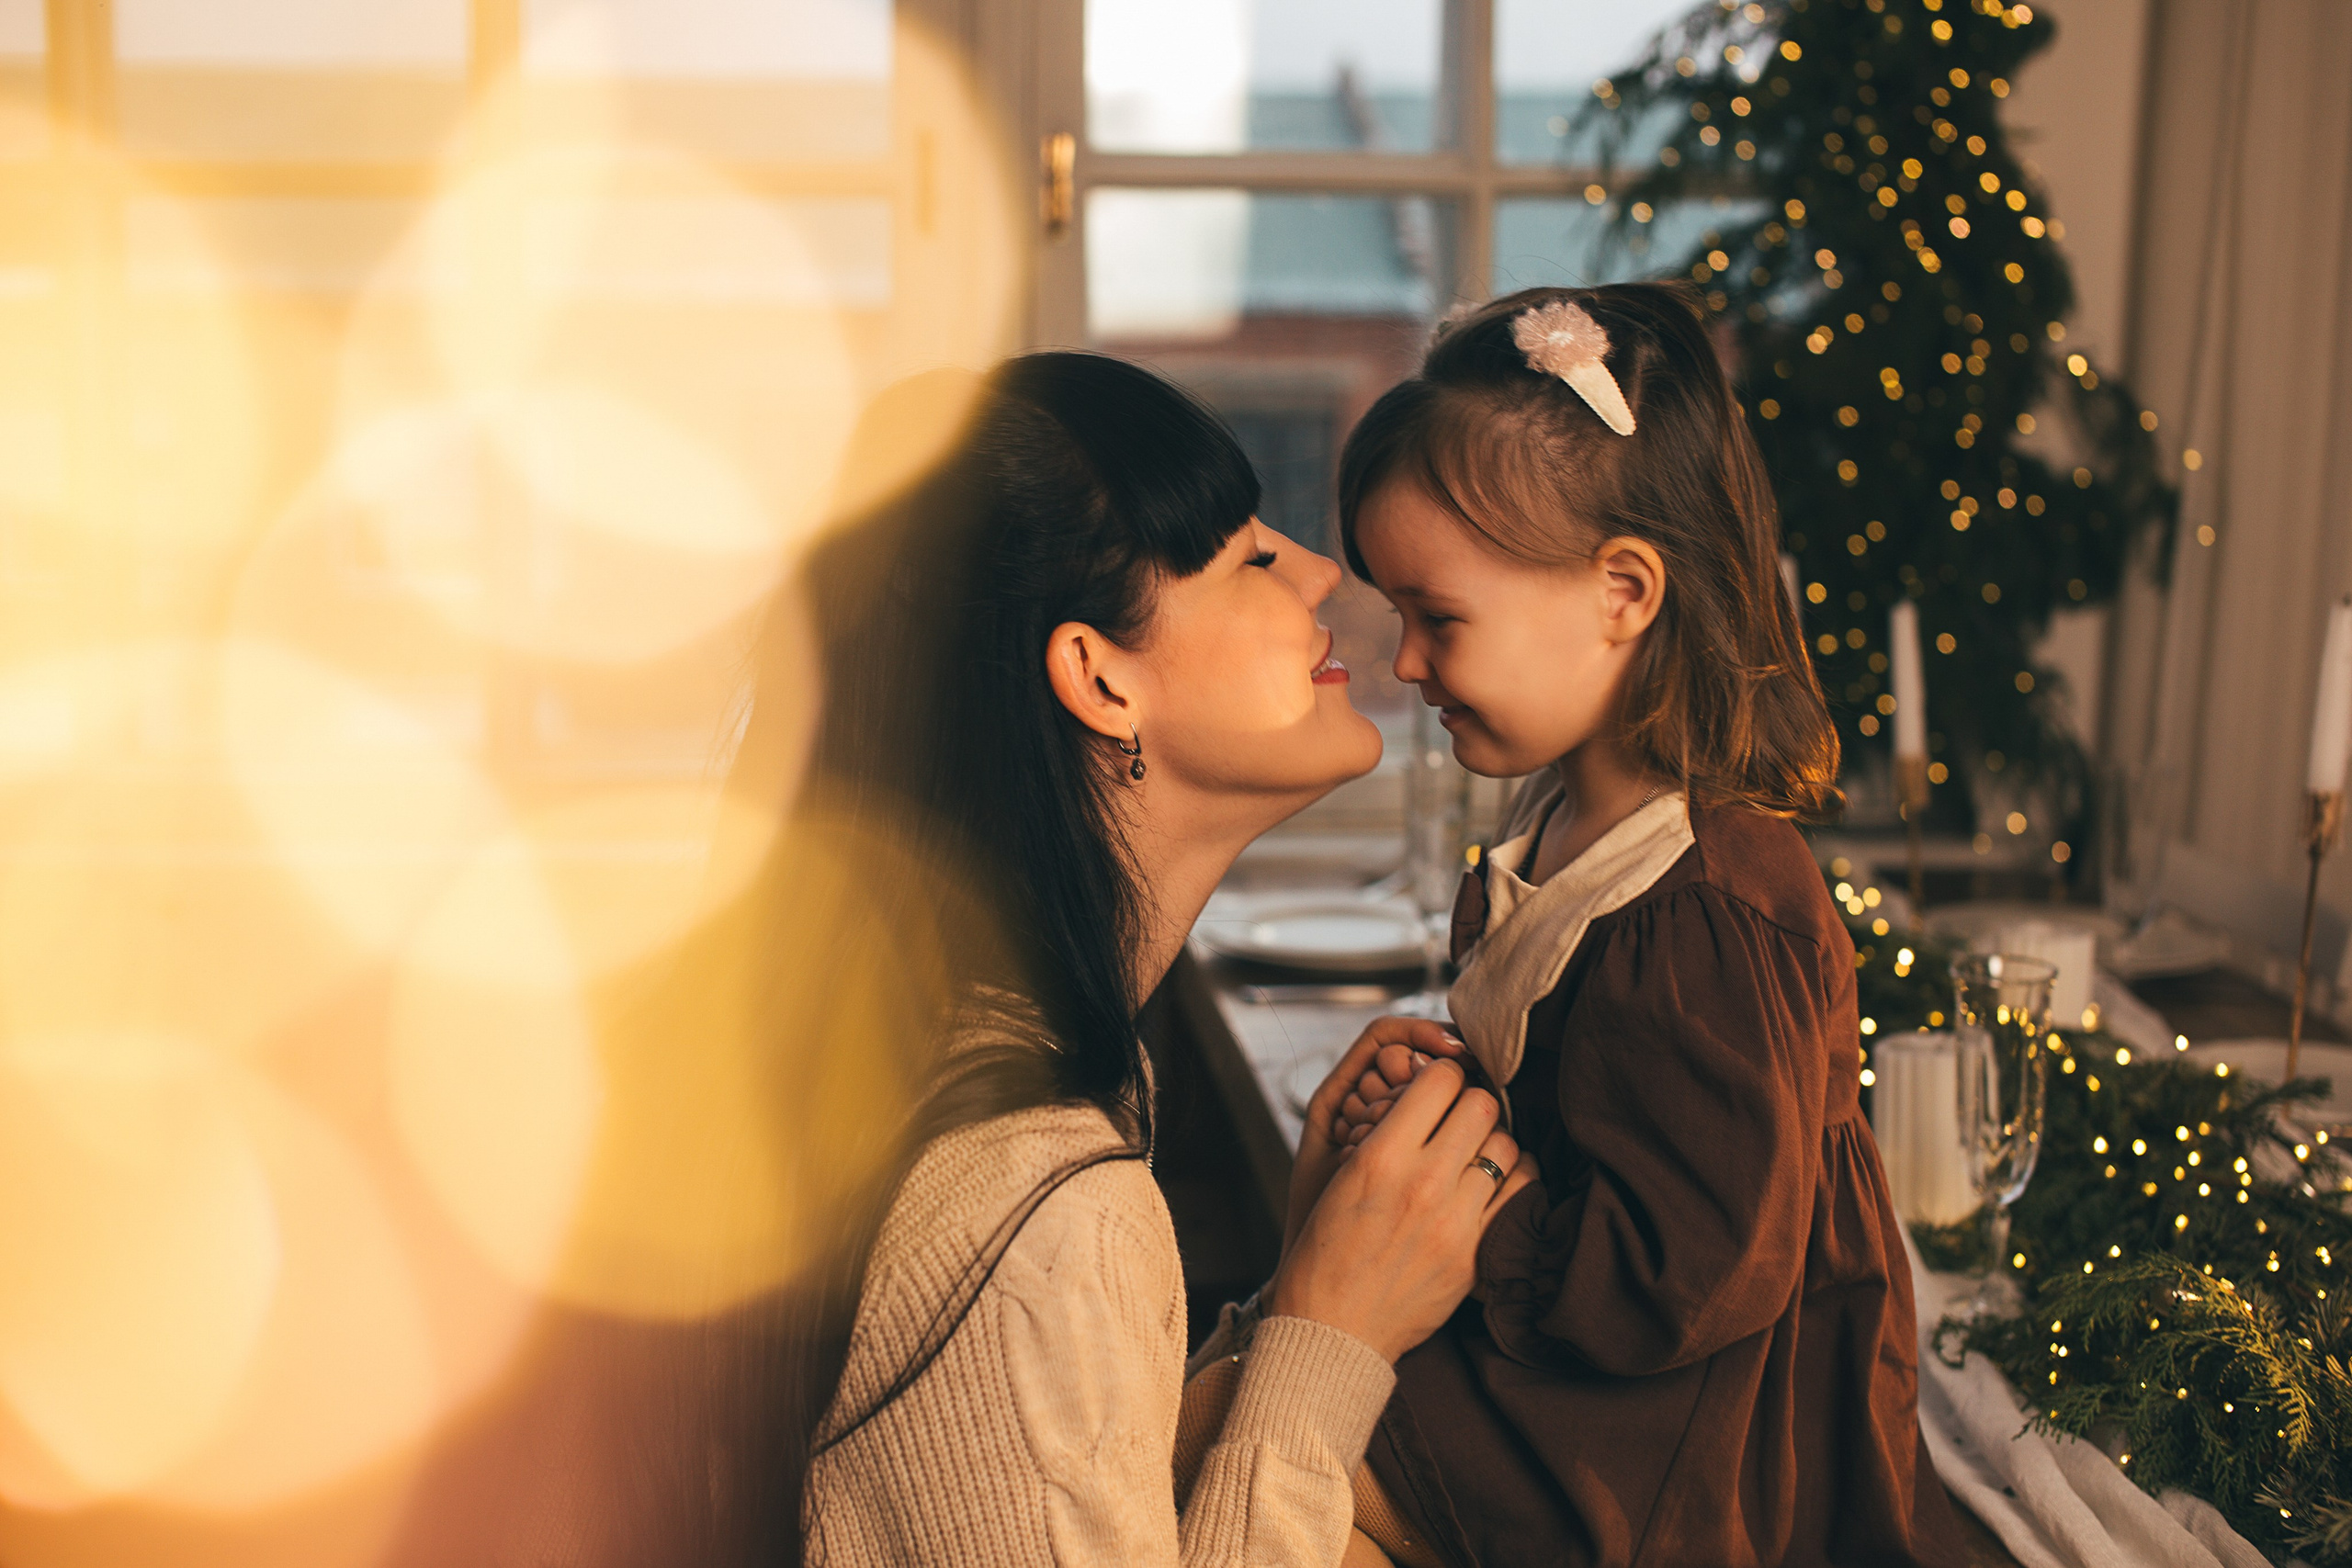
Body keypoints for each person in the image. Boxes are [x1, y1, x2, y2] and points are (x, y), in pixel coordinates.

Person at [740, 354, 1535, 1565]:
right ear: (1100, 679)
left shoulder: (1013, 1068)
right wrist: (1336, 1336)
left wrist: (1300, 1284)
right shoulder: (1037, 1207)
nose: (1325, 574)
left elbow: (1069, 1465)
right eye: (1251, 560)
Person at [1329, 284, 1965, 1566]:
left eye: (1437, 618)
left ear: (1624, 591)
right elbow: (1599, 1110)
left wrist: (1480, 1184)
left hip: (1664, 1449)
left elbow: (1683, 1271)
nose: (1402, 663)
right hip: (1570, 1363)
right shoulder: (1574, 828)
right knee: (1257, 1406)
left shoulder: (1713, 909)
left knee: (1288, 1439)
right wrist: (1463, 1103)